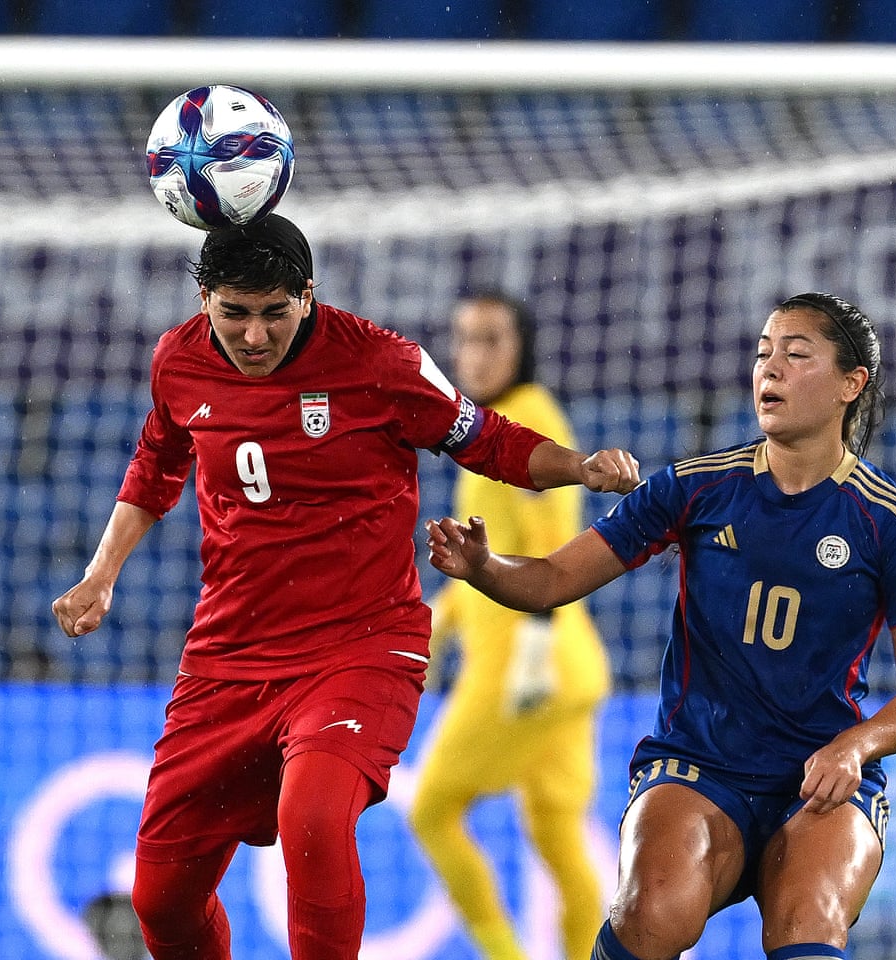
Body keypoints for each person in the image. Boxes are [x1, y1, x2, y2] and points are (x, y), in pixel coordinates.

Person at [51, 213, 640, 960]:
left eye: (275, 312)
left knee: (316, 819)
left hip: (360, 647)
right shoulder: (179, 362)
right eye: (235, 313)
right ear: (204, 299)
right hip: (229, 657)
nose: (255, 335)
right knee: (161, 902)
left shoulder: (380, 362)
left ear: (308, 296)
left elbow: (484, 439)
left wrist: (579, 466)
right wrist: (101, 575)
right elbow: (156, 466)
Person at [425, 292, 896, 960]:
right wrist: (486, 567)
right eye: (762, 354)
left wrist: (856, 747)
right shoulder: (696, 487)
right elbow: (550, 579)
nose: (769, 371)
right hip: (698, 766)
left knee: (809, 927)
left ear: (850, 383)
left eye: (796, 356)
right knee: (648, 913)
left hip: (821, 779)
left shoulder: (892, 522)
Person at [408, 292, 610, 960]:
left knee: (432, 810)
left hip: (526, 670)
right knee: (556, 836)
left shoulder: (528, 422)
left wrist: (531, 649)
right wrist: (435, 622)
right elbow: (488, 567)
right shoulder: (487, 427)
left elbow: (553, 558)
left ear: (522, 345)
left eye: (492, 338)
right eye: (465, 338)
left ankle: (504, 954)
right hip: (570, 671)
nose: (475, 353)